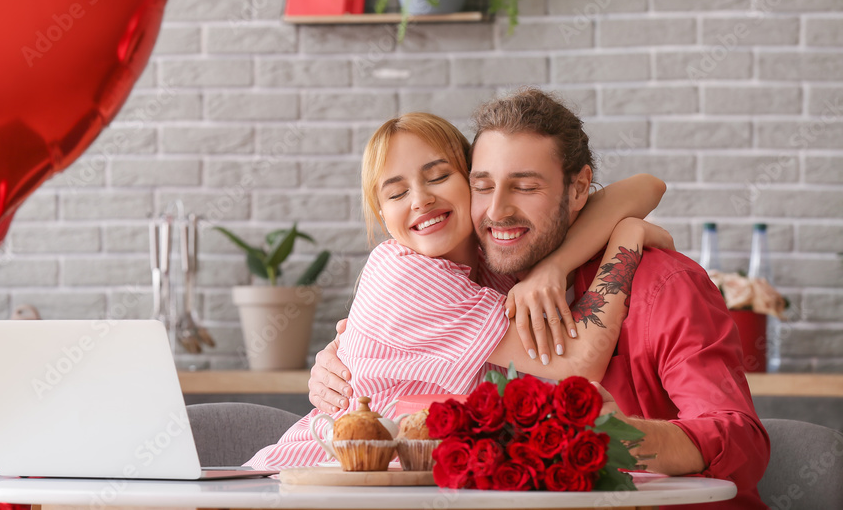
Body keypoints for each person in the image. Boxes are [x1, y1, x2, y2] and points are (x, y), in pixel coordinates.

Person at [309, 89, 769, 509]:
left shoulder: (663, 285)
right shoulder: (477, 286)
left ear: (577, 188)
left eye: (526, 187)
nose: (497, 210)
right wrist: (342, 358)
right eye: (483, 185)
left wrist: (622, 437)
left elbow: (741, 440)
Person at [245, 112, 670, 469]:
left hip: (412, 477)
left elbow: (647, 186)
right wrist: (627, 237)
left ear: (473, 180)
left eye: (439, 176)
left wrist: (554, 266)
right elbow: (578, 364)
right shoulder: (406, 274)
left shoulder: (499, 252)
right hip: (327, 475)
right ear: (382, 213)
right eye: (396, 193)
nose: (421, 199)